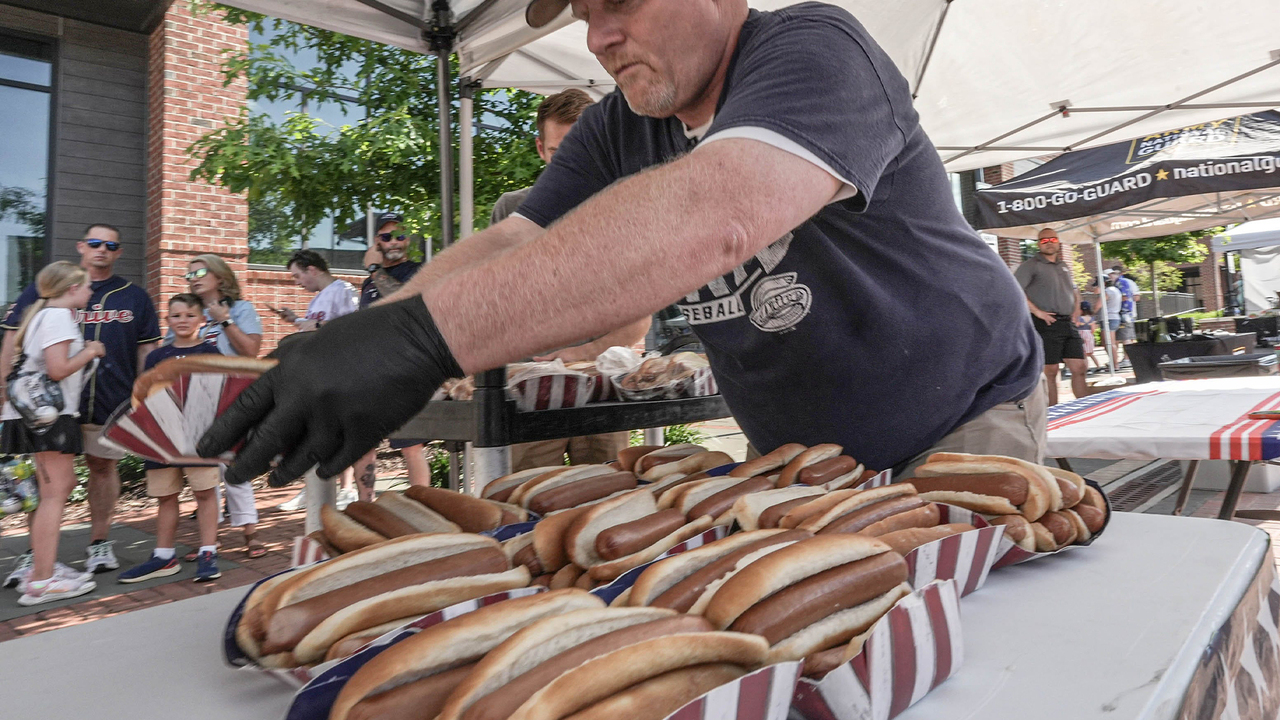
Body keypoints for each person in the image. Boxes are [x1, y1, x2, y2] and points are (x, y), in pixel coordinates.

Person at [198, 0, 1045, 490]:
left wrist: (426, 340)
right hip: (793, 459)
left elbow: (721, 209)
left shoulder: (814, 48)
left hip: (964, 422)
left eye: (622, 0)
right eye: (585, 11)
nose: (599, 35)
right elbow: (513, 237)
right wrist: (377, 329)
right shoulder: (616, 128)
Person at [490, 89, 651, 471]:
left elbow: (639, 320)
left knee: (606, 505)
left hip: (602, 386)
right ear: (541, 149)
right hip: (530, 393)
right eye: (562, 151)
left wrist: (574, 356)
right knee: (525, 508)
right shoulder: (511, 210)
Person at [1, 224, 160, 588]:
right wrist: (2, 389)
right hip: (47, 407)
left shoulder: (133, 296)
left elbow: (147, 349)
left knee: (96, 469)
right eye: (94, 243)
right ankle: (38, 559)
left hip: (109, 399)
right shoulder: (47, 294)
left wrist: (144, 396)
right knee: (50, 484)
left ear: (118, 252)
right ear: (81, 247)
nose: (102, 249)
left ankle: (98, 543)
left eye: (110, 245)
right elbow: (13, 339)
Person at [1, 262, 106, 604]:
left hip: (33, 417)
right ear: (71, 288)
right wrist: (90, 350)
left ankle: (43, 569)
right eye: (87, 286)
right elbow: (58, 369)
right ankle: (42, 581)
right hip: (48, 418)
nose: (91, 291)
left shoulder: (40, 314)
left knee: (56, 490)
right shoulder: (58, 316)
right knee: (53, 496)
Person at [117, 294, 223, 584]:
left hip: (199, 438)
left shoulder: (211, 353)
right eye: (176, 316)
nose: (183, 321)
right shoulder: (156, 356)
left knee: (204, 493)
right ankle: (164, 556)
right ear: (168, 321)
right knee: (166, 496)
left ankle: (208, 552)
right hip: (162, 437)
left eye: (190, 315)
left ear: (202, 319)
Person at [185, 254, 267, 559]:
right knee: (207, 470)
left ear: (220, 277)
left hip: (232, 397)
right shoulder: (188, 311)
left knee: (233, 465)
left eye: (201, 271)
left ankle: (250, 534)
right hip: (196, 399)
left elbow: (251, 351)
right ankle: (211, 539)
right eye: (189, 274)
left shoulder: (241, 309)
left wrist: (224, 320)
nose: (193, 277)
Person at [273, 250, 360, 511]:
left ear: (313, 269)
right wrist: (296, 320)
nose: (297, 282)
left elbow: (350, 326)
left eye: (298, 275)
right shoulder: (319, 298)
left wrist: (314, 328)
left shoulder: (342, 289)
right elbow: (318, 328)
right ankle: (316, 487)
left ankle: (343, 490)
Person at [352, 214, 431, 496]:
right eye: (386, 237)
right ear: (376, 242)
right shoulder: (368, 283)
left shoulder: (417, 271)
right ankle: (364, 509)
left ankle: (422, 507)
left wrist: (374, 269)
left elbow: (402, 303)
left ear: (408, 240)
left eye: (400, 235)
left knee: (411, 446)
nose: (394, 241)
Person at [1015, 229, 1086, 406]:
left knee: (1080, 367)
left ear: (1058, 242)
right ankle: (1053, 415)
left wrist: (1077, 309)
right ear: (1039, 243)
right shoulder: (1030, 265)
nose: (1049, 242)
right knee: (1051, 371)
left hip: (1067, 323)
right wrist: (1038, 312)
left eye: (1052, 239)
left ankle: (1086, 409)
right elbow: (1015, 290)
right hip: (1045, 323)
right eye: (1044, 240)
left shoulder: (1063, 265)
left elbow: (1074, 289)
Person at [1075, 301, 1103, 372]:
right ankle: (1098, 366)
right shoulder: (1091, 318)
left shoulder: (1079, 318)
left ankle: (1087, 368)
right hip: (1089, 334)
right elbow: (1093, 329)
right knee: (1090, 353)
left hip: (1081, 334)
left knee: (1083, 353)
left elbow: (1076, 326)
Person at [1104, 278, 1125, 369]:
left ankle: (1115, 364)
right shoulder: (1117, 291)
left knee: (1109, 342)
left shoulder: (1107, 291)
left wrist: (1092, 312)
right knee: (1113, 342)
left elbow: (1099, 304)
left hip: (1109, 318)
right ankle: (1114, 362)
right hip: (1116, 316)